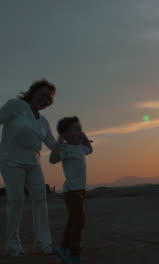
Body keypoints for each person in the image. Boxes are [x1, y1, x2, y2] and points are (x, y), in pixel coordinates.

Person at [0, 79, 57, 256]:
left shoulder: (44, 122)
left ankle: (43, 244)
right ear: (32, 92)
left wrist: (74, 144)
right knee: (16, 200)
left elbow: (53, 146)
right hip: (11, 160)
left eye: (49, 98)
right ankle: (13, 246)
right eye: (42, 94)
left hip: (34, 164)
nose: (45, 99)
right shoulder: (15, 105)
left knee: (40, 201)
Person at [50, 116, 93, 264]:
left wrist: (85, 137)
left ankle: (62, 248)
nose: (80, 132)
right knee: (79, 221)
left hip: (80, 191)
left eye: (81, 129)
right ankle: (74, 254)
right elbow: (52, 159)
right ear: (65, 135)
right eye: (76, 130)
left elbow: (90, 149)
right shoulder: (65, 149)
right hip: (71, 192)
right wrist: (59, 143)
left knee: (73, 221)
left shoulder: (80, 148)